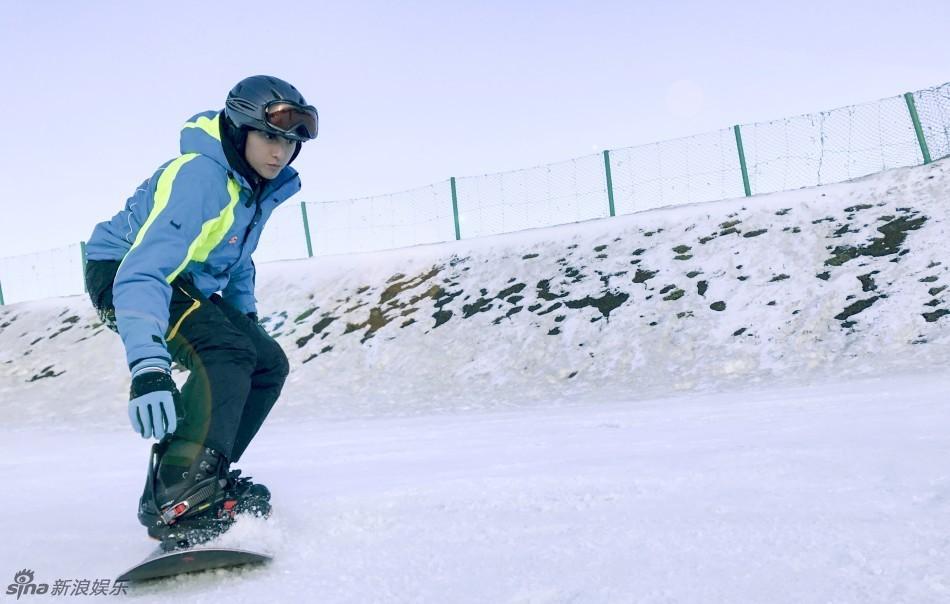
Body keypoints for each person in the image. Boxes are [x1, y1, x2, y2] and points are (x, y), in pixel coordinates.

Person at [83, 75, 318, 550]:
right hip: (125, 271)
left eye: (290, 143)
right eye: (270, 137)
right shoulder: (201, 176)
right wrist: (148, 367)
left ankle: (206, 478)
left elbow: (233, 258)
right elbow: (143, 272)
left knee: (266, 363)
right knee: (226, 354)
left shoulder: (252, 187)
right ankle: (177, 496)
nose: (280, 153)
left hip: (180, 280)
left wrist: (245, 321)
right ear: (240, 129)